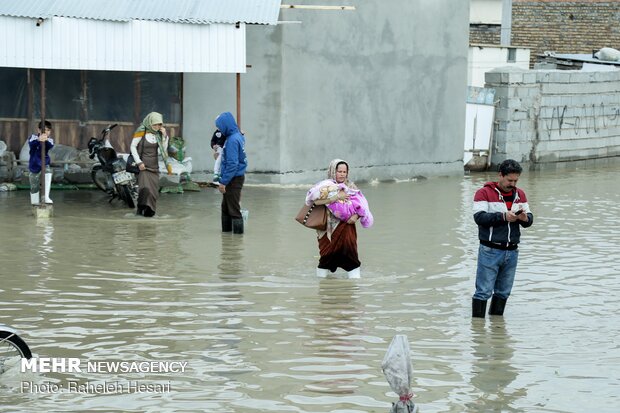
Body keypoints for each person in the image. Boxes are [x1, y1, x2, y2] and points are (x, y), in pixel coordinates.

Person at [471, 159, 534, 318]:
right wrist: (504, 216)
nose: (513, 184)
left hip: (512, 252)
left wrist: (525, 219)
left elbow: (530, 220)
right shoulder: (483, 193)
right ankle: (478, 331)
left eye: (515, 180)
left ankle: (497, 329)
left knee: (504, 292)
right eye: (509, 180)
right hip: (490, 250)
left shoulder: (520, 194)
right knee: (483, 291)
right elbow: (480, 218)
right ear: (500, 175)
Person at [305, 159, 373, 278]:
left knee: (351, 255)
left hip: (347, 226)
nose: (342, 174)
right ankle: (323, 287)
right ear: (333, 171)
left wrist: (356, 216)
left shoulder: (351, 186)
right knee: (326, 257)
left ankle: (354, 286)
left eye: (344, 171)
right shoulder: (324, 187)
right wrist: (336, 197)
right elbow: (314, 201)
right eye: (339, 171)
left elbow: (362, 205)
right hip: (327, 227)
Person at [130, 112, 170, 217]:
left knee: (153, 192)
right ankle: (141, 208)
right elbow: (133, 146)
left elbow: (162, 151)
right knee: (144, 189)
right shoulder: (141, 132)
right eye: (155, 124)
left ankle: (149, 213)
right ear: (149, 123)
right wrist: (139, 162)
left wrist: (165, 136)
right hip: (143, 167)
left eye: (159, 125)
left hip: (154, 168)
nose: (157, 127)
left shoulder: (159, 135)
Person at [216, 112, 247, 234]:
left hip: (233, 178)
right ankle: (227, 239)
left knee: (233, 209)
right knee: (226, 208)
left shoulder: (233, 140)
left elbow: (233, 164)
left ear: (225, 125)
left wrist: (223, 182)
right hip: (234, 177)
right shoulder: (236, 136)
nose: (218, 129)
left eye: (219, 126)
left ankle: (236, 244)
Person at [28, 120, 54, 205]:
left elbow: (50, 145)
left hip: (44, 163)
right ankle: (34, 203)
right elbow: (31, 144)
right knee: (34, 187)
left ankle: (46, 197)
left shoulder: (50, 140)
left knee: (48, 171)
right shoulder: (33, 137)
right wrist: (39, 140)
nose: (46, 132)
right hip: (34, 165)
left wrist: (45, 140)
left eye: (48, 130)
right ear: (39, 130)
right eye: (44, 130)